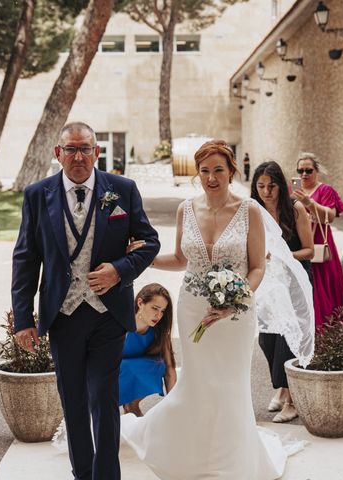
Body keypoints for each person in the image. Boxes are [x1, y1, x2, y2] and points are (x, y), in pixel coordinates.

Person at [120, 140, 307, 479]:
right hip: (193, 309)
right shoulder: (185, 209)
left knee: (229, 384)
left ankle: (230, 461)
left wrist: (235, 300)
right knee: (199, 384)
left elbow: (257, 268)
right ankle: (191, 453)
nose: (211, 177)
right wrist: (140, 258)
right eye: (204, 171)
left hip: (235, 314)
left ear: (231, 171)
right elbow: (180, 260)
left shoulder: (249, 210)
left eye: (218, 170)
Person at [11, 122, 160, 480]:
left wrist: (120, 270)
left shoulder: (122, 190)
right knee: (73, 401)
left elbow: (149, 242)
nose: (78, 156)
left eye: (85, 149)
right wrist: (23, 320)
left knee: (104, 400)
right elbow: (26, 259)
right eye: (71, 149)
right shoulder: (37, 194)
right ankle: (83, 473)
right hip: (63, 316)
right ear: (57, 153)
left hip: (108, 314)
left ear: (96, 152)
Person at [251, 161, 313, 424]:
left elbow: (309, 250)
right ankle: (282, 386)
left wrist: (280, 256)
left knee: (289, 339)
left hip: (294, 282)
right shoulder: (254, 211)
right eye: (261, 186)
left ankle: (292, 401)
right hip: (268, 283)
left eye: (272, 186)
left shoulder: (295, 209)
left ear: (281, 185)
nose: (266, 192)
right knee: (268, 338)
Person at [292, 152, 343, 328]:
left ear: (317, 171)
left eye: (308, 170)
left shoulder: (325, 190)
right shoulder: (294, 191)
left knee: (323, 287)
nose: (304, 174)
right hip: (300, 243)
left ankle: (325, 332)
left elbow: (330, 217)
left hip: (319, 245)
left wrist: (309, 203)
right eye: (300, 170)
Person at [119, 283, 177, 417]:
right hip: (115, 372)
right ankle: (128, 404)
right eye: (155, 308)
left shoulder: (159, 332)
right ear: (140, 303)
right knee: (128, 367)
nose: (159, 315)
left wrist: (173, 403)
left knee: (159, 364)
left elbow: (169, 368)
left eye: (162, 311)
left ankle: (132, 404)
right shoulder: (121, 325)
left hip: (137, 370)